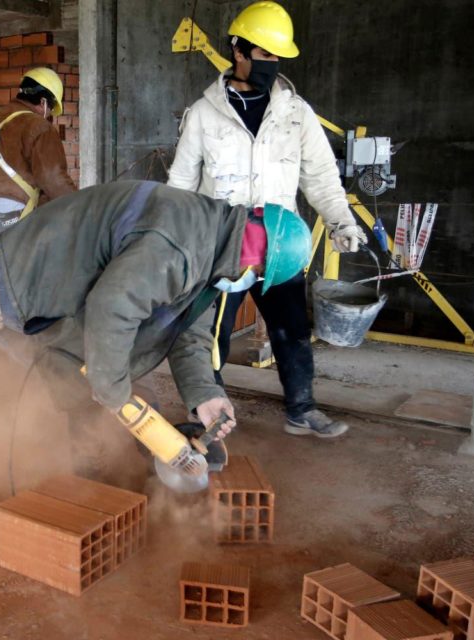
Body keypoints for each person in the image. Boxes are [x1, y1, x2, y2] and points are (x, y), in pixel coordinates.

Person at [166, 0, 368, 439]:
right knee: (209, 335)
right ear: (239, 50)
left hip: (281, 246)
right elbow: (180, 185)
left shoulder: (297, 114)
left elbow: (321, 178)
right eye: (265, 55)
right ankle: (210, 413)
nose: (272, 65)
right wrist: (176, 242)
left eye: (278, 57)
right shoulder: (203, 115)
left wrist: (341, 222)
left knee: (292, 329)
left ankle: (303, 409)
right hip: (223, 245)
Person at [0, 180, 252, 481]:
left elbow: (190, 333)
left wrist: (203, 394)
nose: (252, 281)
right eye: (258, 275)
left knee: (117, 375)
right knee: (76, 369)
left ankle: (111, 460)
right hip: (41, 270)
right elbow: (112, 307)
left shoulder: (214, 251)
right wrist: (115, 395)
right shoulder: (179, 247)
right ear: (256, 252)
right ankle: (86, 475)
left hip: (90, 282)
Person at [0, 67, 77, 332]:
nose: (50, 117)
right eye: (51, 110)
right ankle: (28, 346)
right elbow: (53, 179)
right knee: (34, 282)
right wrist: (82, 211)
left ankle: (13, 346)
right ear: (44, 103)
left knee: (8, 282)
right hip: (13, 221)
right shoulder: (37, 126)